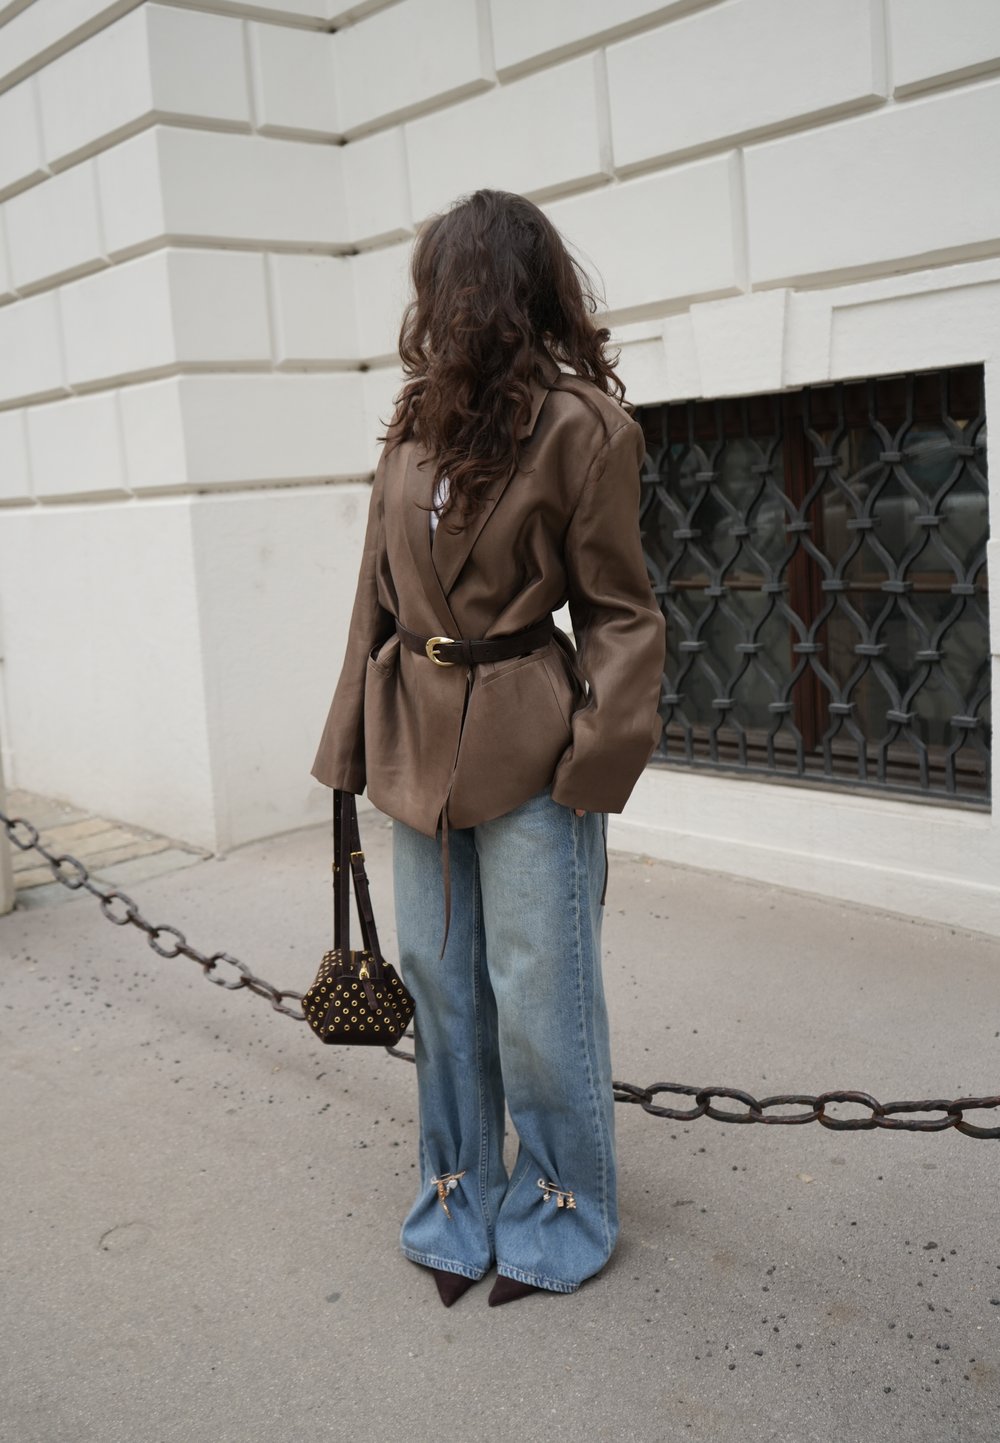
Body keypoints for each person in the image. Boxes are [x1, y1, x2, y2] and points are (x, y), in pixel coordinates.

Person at [309, 188, 666, 1307]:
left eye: (449, 283)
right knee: (442, 986)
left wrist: (592, 763)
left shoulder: (584, 428)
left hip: (530, 737)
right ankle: (457, 1192)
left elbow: (622, 611)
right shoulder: (411, 426)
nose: (438, 304)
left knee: (540, 992)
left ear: (499, 292)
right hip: (414, 734)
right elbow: (372, 595)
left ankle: (563, 1204)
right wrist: (346, 754)